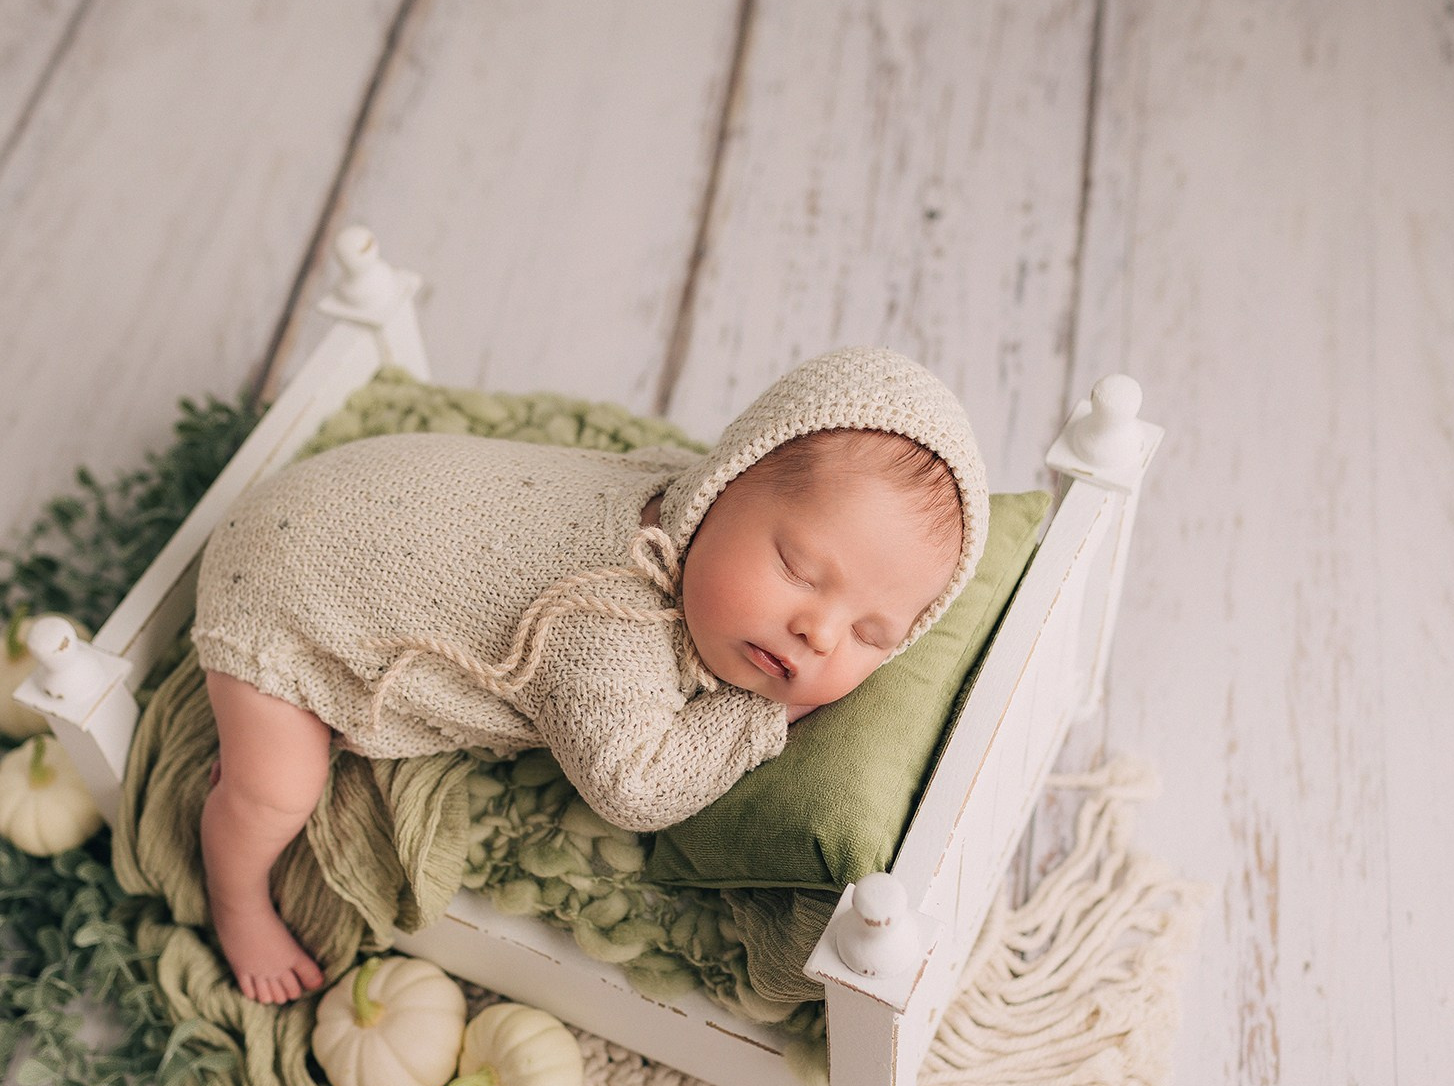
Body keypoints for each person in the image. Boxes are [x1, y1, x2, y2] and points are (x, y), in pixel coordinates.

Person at [189, 346, 989, 1004]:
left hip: (354, 496)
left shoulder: (677, 499)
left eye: (871, 634)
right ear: (719, 484)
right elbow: (635, 788)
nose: (819, 633)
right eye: (798, 568)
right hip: (286, 587)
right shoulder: (606, 620)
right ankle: (236, 898)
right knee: (275, 789)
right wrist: (758, 716)